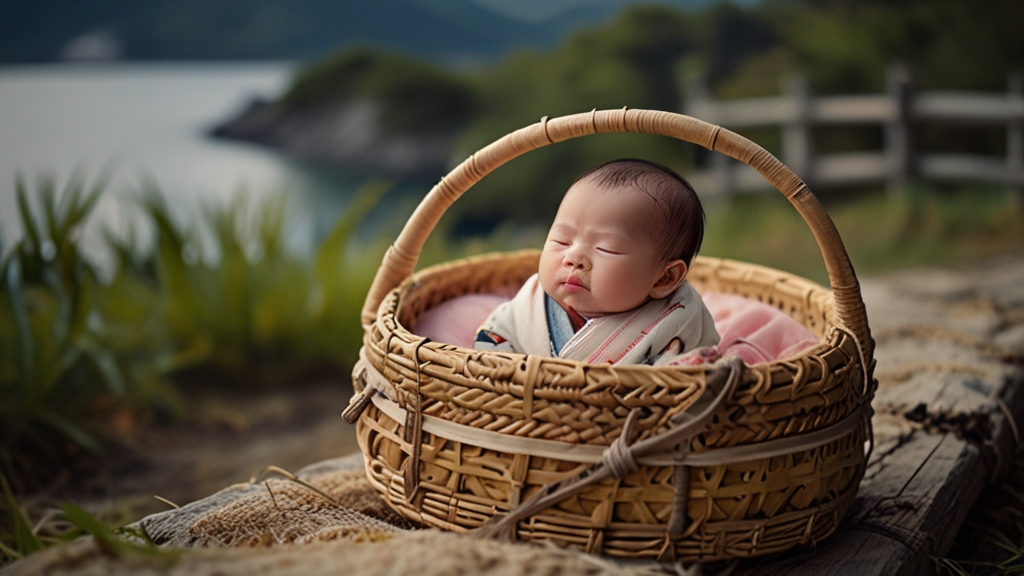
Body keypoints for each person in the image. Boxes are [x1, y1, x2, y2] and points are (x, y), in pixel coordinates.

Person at [473, 158, 720, 365]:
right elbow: (495, 340)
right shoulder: (531, 304)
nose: (573, 259)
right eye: (562, 241)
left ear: (665, 278)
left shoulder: (677, 317)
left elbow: (688, 378)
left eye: (606, 249)